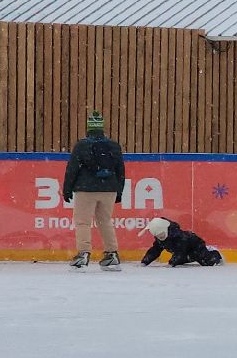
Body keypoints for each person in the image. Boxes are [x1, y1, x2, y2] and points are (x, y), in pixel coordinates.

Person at [62, 110, 126, 271]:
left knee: (82, 221)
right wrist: (119, 190)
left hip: (86, 189)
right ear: (102, 128)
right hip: (109, 188)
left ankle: (83, 254)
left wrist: (67, 189)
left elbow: (72, 169)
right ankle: (112, 254)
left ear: (89, 128)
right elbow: (120, 170)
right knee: (105, 221)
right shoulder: (113, 145)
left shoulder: (82, 145)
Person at [139, 217, 225, 267]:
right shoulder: (160, 238)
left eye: (161, 235)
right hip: (183, 252)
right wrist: (145, 262)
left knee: (206, 262)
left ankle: (214, 253)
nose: (160, 238)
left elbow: (180, 250)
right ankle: (191, 257)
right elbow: (155, 250)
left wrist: (171, 263)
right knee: (181, 261)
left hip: (195, 246)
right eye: (158, 236)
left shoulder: (178, 236)